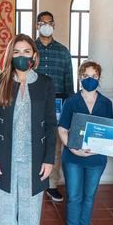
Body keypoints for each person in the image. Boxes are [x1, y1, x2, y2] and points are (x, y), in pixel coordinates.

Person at [0, 34, 56, 225]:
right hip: (4, 160)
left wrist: (49, 159)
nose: (22, 56)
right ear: (10, 55)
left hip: (35, 161)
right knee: (5, 215)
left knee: (29, 216)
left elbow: (51, 124)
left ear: (34, 56)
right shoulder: (0, 81)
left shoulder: (46, 83)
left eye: (27, 51)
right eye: (17, 52)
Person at [58, 61, 113, 225]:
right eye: (86, 76)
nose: (90, 79)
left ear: (99, 79)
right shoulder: (71, 101)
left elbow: (110, 133)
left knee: (89, 197)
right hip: (73, 158)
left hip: (96, 159)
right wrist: (73, 148)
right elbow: (62, 129)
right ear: (80, 77)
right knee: (74, 196)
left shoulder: (106, 103)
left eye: (94, 76)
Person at [34, 11, 74, 203]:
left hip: (58, 104)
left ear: (54, 25)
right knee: (33, 142)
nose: (46, 25)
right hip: (34, 102)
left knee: (55, 146)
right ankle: (33, 182)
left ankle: (51, 185)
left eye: (50, 22)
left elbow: (69, 83)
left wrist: (70, 109)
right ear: (37, 25)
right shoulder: (30, 49)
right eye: (43, 23)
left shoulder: (63, 51)